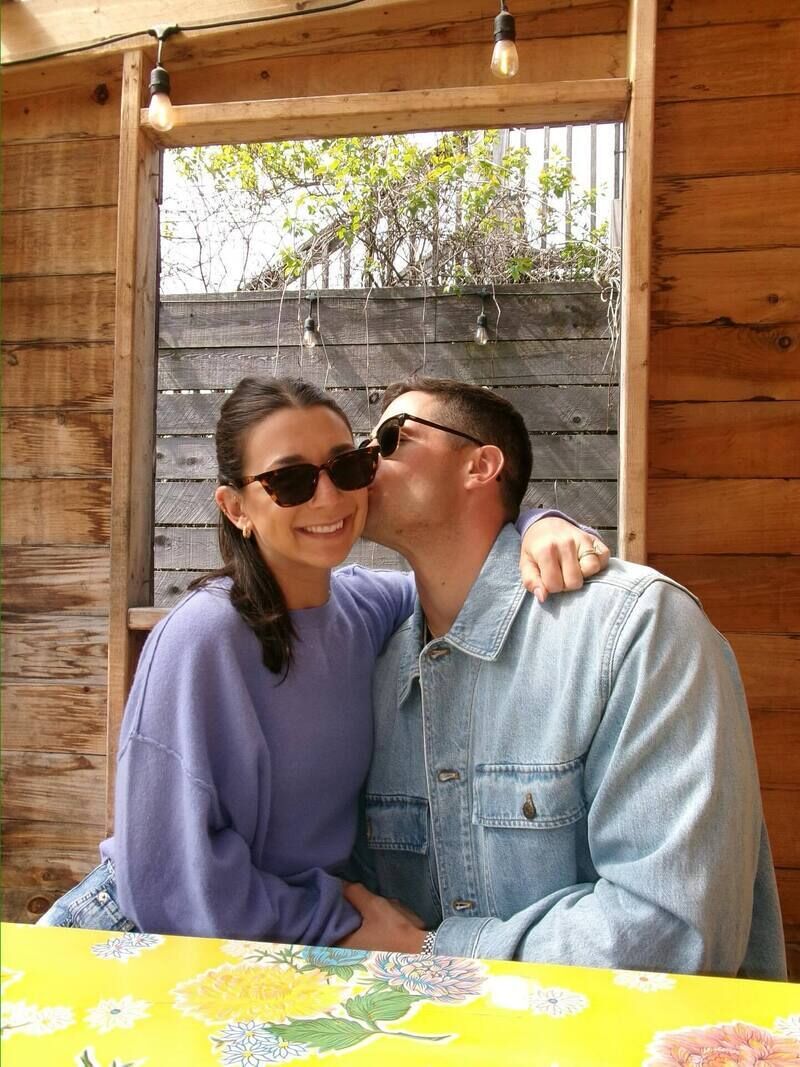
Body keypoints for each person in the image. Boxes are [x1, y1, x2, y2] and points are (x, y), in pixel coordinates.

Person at [37, 376, 607, 943]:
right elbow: (170, 882)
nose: (329, 498)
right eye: (290, 481)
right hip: (139, 933)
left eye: (346, 467)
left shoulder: (368, 609)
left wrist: (540, 525)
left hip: (273, 941)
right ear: (236, 508)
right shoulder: (202, 638)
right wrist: (338, 923)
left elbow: (467, 574)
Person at [339, 377, 787, 980]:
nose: (368, 462)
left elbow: (674, 932)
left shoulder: (637, 629)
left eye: (392, 438)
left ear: (481, 465)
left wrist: (436, 950)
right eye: (363, 449)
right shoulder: (375, 661)